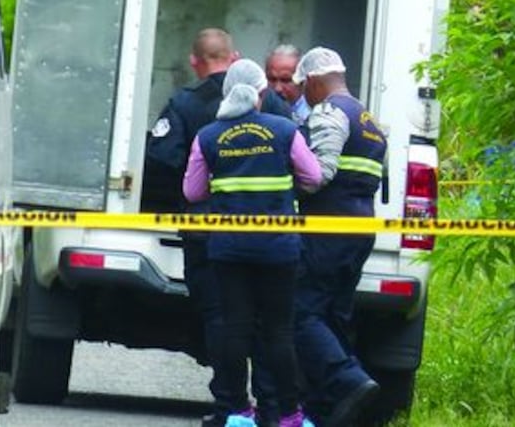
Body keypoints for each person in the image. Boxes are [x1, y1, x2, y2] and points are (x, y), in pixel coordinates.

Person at [144, 31, 281, 426]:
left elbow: (164, 160)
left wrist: (190, 192)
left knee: (221, 320)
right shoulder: (268, 100)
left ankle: (232, 408)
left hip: (207, 234)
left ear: (194, 61)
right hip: (270, 232)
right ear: (235, 56)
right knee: (268, 321)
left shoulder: (185, 103)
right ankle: (272, 406)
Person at [185, 69, 322, 427]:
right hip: (279, 249)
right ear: (260, 94)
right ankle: (290, 414)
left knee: (234, 329)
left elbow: (192, 192)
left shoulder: (208, 136)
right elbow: (313, 177)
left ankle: (237, 411)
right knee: (278, 331)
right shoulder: (285, 130)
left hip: (229, 250)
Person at [291, 47, 385, 426]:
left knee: (301, 311)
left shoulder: (330, 112)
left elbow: (318, 176)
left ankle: (348, 382)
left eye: (303, 88)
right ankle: (333, 409)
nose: (302, 97)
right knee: (335, 315)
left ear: (313, 81)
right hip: (361, 228)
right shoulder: (368, 118)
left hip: (329, 228)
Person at [265, 45, 310, 124]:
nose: (277, 89)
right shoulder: (257, 112)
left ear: (302, 81)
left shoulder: (313, 117)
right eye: (272, 79)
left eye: (286, 80)